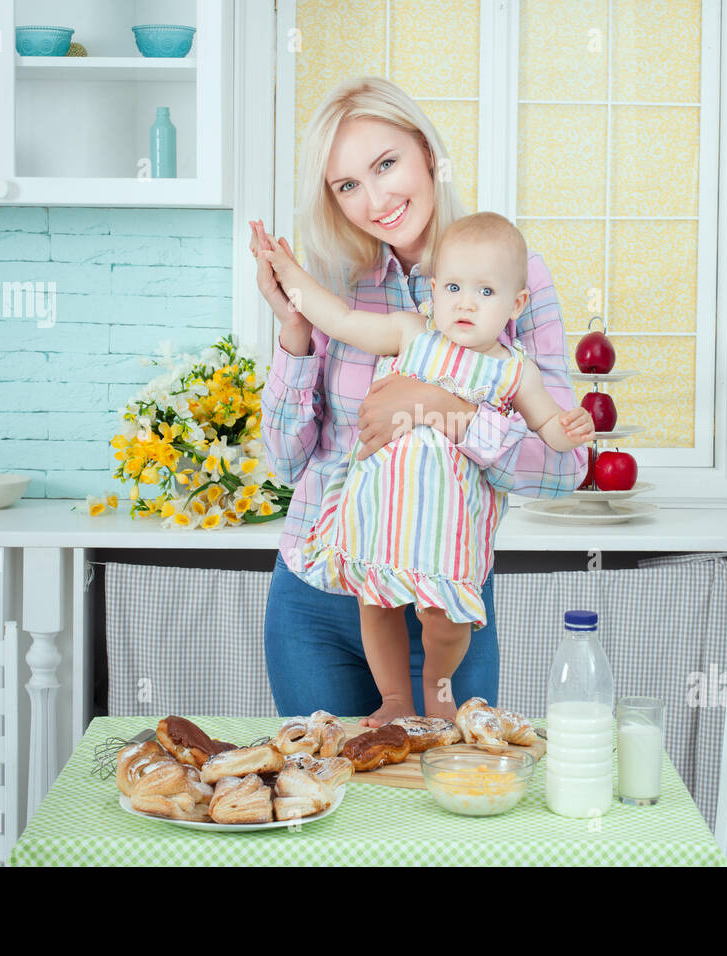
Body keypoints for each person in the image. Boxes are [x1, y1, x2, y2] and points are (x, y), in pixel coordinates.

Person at [257, 75, 587, 722]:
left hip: (445, 596)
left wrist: (442, 409)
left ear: (428, 152)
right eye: (347, 185)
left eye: (386, 164)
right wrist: (294, 337)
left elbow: (563, 470)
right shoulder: (333, 285)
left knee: (444, 816)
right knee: (328, 813)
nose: (375, 198)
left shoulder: (512, 276)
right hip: (318, 595)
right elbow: (284, 465)